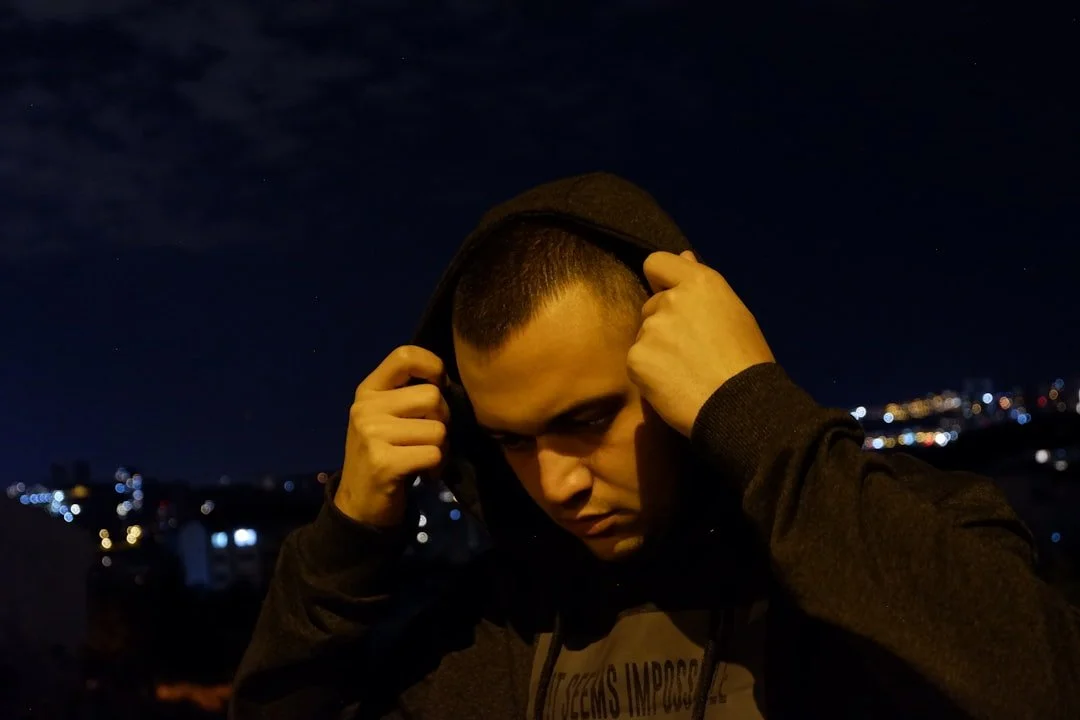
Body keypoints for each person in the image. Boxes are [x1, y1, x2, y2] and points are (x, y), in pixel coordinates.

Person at [231, 173, 1080, 719]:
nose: (556, 484)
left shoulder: (898, 537)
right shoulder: (481, 633)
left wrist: (752, 413)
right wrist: (348, 538)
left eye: (589, 420)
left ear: (680, 370)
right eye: (513, 443)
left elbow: (1043, 686)